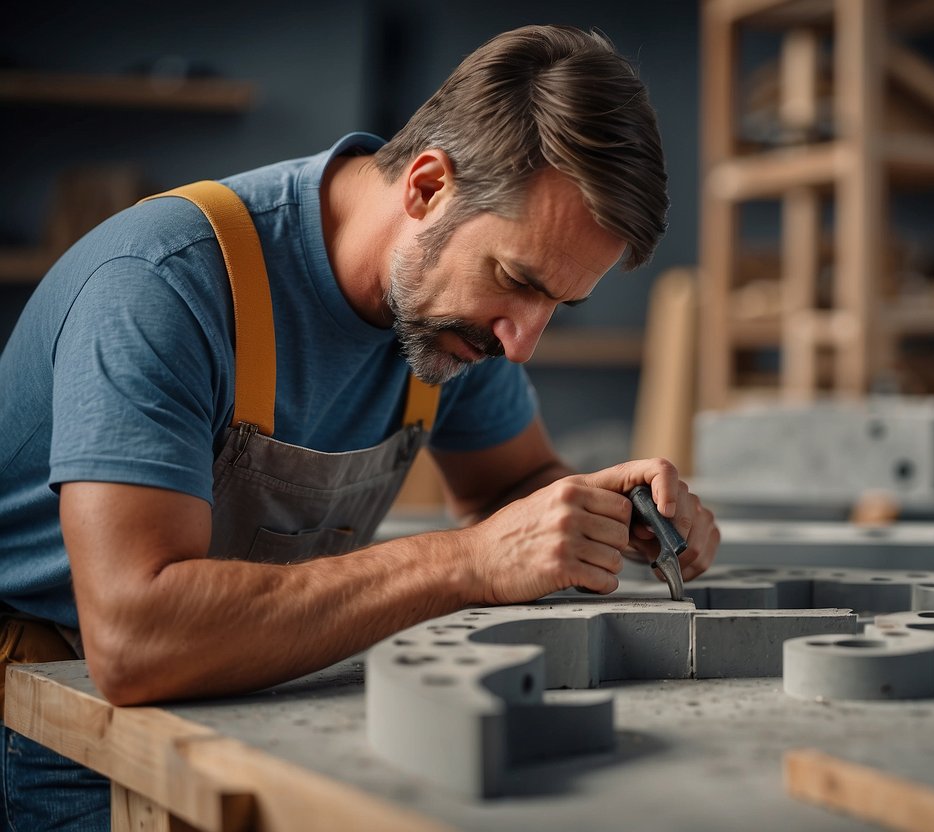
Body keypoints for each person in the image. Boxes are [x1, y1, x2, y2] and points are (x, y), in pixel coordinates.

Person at [0, 24, 718, 830]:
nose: (523, 341)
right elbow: (136, 640)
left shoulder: (451, 322)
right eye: (517, 281)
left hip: (266, 690)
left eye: (559, 303)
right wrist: (471, 561)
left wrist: (605, 512)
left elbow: (510, 488)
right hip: (64, 726)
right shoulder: (161, 288)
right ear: (426, 187)